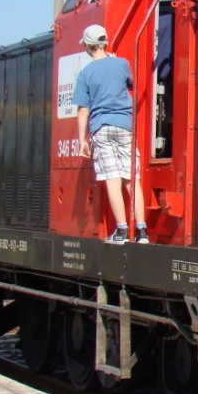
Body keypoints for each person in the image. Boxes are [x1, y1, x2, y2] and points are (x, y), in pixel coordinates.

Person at [74, 24, 149, 244]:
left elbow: (83, 110)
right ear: (105, 42)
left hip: (102, 128)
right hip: (125, 125)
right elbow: (130, 84)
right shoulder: (122, 63)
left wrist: (82, 140)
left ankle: (122, 231)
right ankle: (142, 231)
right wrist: (114, 61)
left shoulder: (85, 73)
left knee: (112, 179)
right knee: (131, 178)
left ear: (88, 46)